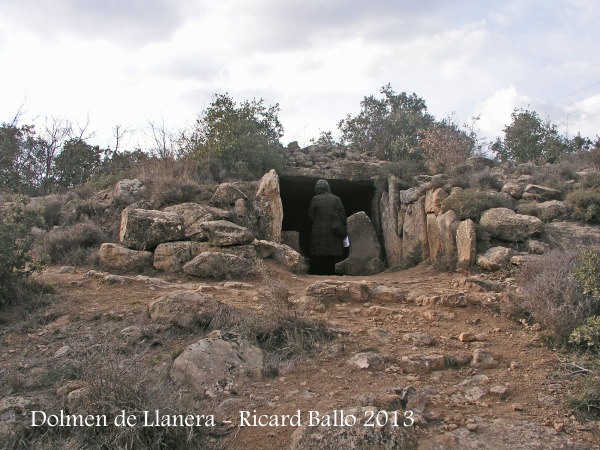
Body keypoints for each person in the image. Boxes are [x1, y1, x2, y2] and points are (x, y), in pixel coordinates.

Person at [308, 179, 347, 275]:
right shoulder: (336, 199)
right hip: (333, 229)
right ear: (328, 187)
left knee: (320, 253)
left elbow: (310, 215)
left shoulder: (315, 199)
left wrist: (319, 219)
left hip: (318, 229)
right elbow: (343, 215)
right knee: (332, 253)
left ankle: (321, 272)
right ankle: (331, 272)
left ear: (317, 188)